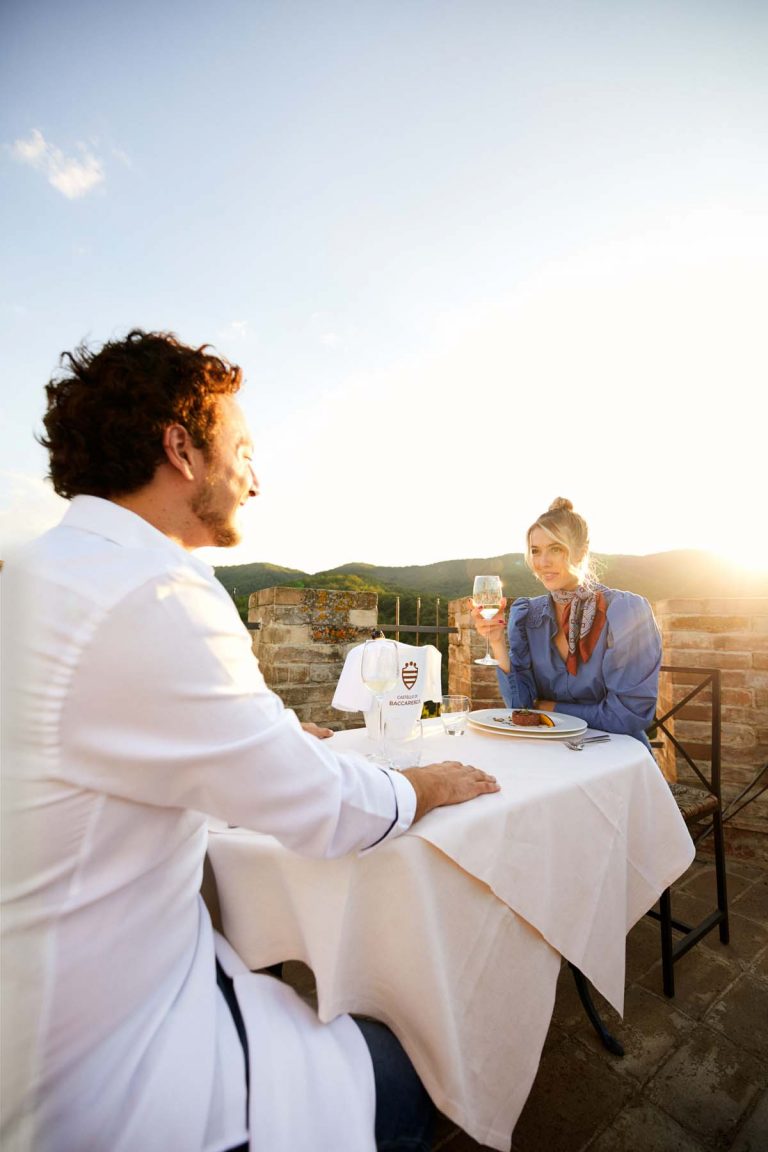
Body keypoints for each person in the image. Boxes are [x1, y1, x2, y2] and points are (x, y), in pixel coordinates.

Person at [0, 330, 500, 1152]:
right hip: (110, 1074)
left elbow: (135, 734)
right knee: (428, 1068)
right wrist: (429, 786)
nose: (256, 479)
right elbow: (321, 810)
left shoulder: (45, 571)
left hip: (44, 1012)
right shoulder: (154, 589)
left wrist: (266, 733)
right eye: (244, 450)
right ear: (181, 449)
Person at [471, 498, 661, 745]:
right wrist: (497, 644)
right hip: (549, 752)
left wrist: (550, 708)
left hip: (615, 754)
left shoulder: (625, 612)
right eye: (535, 551)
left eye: (556, 549)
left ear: (581, 552)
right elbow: (521, 708)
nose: (542, 562)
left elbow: (628, 716)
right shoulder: (527, 615)